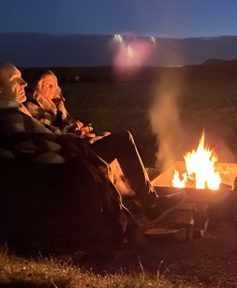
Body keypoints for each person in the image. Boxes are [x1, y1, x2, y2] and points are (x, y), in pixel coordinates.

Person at [0, 63, 185, 240]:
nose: (23, 83)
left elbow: (43, 133)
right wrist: (77, 141)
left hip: (59, 159)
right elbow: (45, 139)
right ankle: (151, 203)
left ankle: (146, 200)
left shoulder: (2, 111)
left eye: (22, 77)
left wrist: (76, 132)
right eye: (15, 79)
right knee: (122, 138)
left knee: (112, 138)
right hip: (58, 165)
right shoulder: (6, 113)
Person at [24, 69, 161, 208]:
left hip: (76, 149)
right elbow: (51, 135)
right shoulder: (33, 107)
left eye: (54, 85)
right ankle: (151, 203)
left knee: (108, 135)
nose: (53, 89)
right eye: (47, 85)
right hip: (73, 156)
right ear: (36, 86)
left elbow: (65, 126)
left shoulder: (54, 107)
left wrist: (79, 128)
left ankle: (132, 197)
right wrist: (75, 131)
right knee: (123, 138)